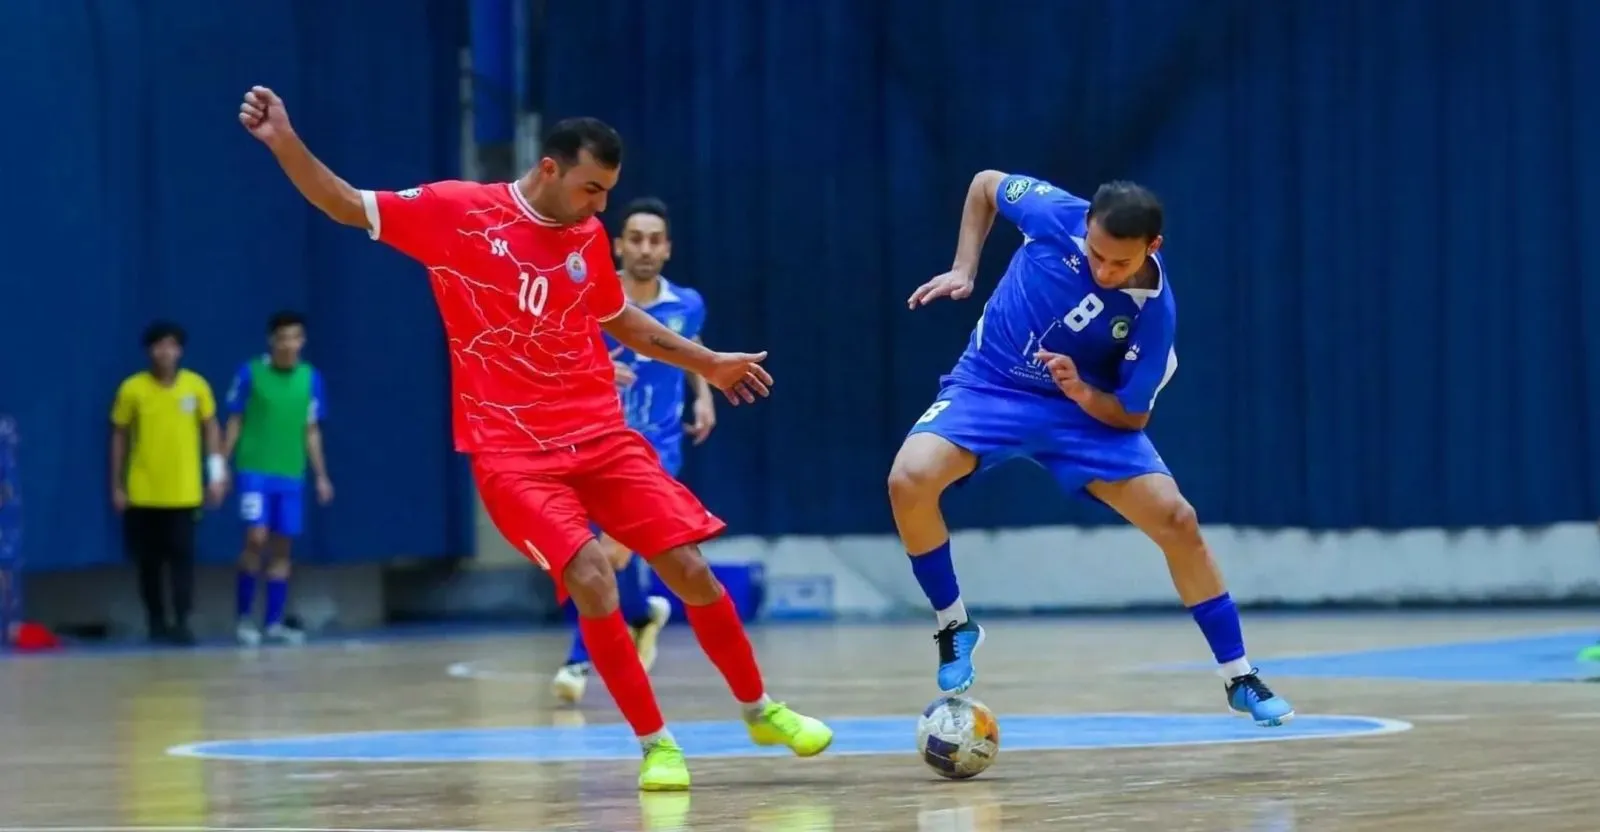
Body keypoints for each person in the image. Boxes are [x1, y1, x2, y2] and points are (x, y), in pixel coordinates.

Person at [238, 86, 831, 790]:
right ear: (550, 169)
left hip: (602, 437)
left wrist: (709, 363)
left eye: (608, 192)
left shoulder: (585, 236)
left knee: (689, 567)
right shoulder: (457, 213)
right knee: (593, 576)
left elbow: (622, 320)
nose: (600, 208)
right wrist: (284, 142)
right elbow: (342, 202)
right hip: (513, 455)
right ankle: (656, 745)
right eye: (591, 189)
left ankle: (760, 709)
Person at [888, 170, 1295, 727]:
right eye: (1097, 255)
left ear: (1153, 247)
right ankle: (954, 624)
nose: (1103, 271)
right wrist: (964, 268)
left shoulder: (1155, 313)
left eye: (1119, 264)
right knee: (908, 480)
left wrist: (1081, 390)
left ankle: (1239, 675)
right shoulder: (1055, 213)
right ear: (1086, 225)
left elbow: (1132, 414)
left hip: (1082, 411)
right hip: (989, 387)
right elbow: (984, 185)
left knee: (1177, 520)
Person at [552, 197, 714, 704]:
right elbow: (554, 356)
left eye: (654, 240)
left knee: (610, 553)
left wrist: (704, 395)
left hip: (655, 450)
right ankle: (642, 613)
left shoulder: (687, 304)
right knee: (586, 552)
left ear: (667, 249)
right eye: (636, 239)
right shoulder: (589, 298)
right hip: (592, 443)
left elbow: (690, 346)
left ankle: (577, 661)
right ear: (618, 246)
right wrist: (596, 369)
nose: (645, 249)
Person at [110, 322, 228, 645]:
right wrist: (117, 485)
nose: (165, 352)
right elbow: (119, 436)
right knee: (148, 563)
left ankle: (182, 621)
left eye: (171, 345)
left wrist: (217, 475)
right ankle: (156, 620)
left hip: (184, 492)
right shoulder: (132, 389)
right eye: (159, 345)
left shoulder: (196, 386)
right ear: (149, 351)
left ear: (180, 351)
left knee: (182, 561)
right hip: (144, 492)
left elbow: (211, 429)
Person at [224, 311, 334, 647]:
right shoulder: (251, 373)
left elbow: (311, 430)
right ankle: (244, 619)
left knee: (283, 547)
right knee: (256, 538)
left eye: (295, 337)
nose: (289, 344)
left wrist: (321, 475)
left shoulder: (310, 379)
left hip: (290, 474)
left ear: (302, 341)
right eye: (283, 338)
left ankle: (273, 623)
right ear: (272, 341)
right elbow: (235, 420)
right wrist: (221, 464)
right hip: (254, 471)